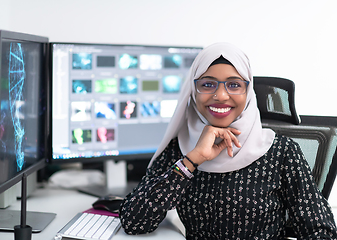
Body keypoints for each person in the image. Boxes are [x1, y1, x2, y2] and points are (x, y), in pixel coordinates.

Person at [119, 42, 337, 239]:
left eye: (234, 85)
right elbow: (134, 222)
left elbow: (319, 230)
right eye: (207, 84)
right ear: (193, 91)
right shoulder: (179, 150)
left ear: (248, 91)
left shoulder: (281, 153)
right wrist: (193, 159)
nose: (221, 96)